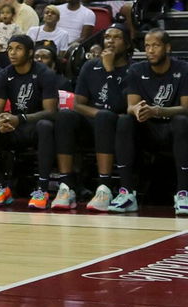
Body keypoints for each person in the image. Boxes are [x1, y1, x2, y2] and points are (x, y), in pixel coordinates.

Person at [0, 34, 60, 209]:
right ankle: (0, 186)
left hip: (35, 127)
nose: (12, 53)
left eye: (18, 49)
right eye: (10, 48)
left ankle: (42, 189)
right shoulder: (4, 74)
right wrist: (1, 120)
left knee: (45, 126)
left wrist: (19, 119)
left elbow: (51, 112)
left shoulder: (45, 74)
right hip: (14, 127)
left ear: (29, 53)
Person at [109, 29, 188, 216]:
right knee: (125, 120)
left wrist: (156, 110)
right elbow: (131, 106)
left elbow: (186, 107)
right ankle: (127, 193)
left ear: (167, 47)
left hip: (174, 130)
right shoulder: (137, 69)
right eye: (147, 46)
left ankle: (183, 193)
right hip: (148, 131)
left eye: (156, 45)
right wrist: (137, 109)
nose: (150, 50)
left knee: (182, 120)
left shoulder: (183, 69)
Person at [55, 26, 129, 212]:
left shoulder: (133, 70)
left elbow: (120, 105)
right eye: (107, 37)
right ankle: (67, 186)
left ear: (127, 43)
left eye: (117, 37)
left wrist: (110, 69)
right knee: (65, 116)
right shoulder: (90, 66)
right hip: (92, 122)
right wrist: (99, 114)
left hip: (119, 127)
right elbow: (78, 104)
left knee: (105, 117)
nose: (110, 41)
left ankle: (104, 188)